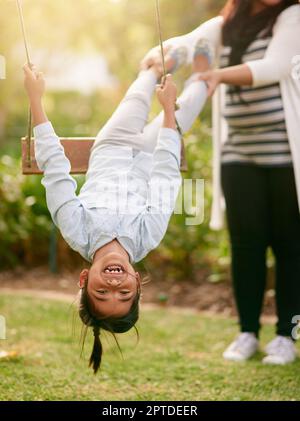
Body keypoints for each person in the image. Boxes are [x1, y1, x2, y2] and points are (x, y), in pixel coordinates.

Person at [23, 50, 208, 373]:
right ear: (137, 281)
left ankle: (151, 67)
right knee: (193, 96)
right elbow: (165, 177)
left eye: (101, 290)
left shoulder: (77, 229)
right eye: (123, 292)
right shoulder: (146, 236)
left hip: (113, 145)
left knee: (139, 93)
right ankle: (206, 69)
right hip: (154, 153)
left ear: (84, 278)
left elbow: (55, 167)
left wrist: (35, 100)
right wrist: (167, 113)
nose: (113, 283)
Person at [142, 0, 300, 365]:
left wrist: (216, 76)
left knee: (290, 247)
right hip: (238, 155)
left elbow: (275, 66)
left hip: (285, 155)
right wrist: (159, 59)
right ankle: (246, 332)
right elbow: (188, 44)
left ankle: (285, 337)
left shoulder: (292, 16)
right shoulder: (227, 24)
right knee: (246, 246)